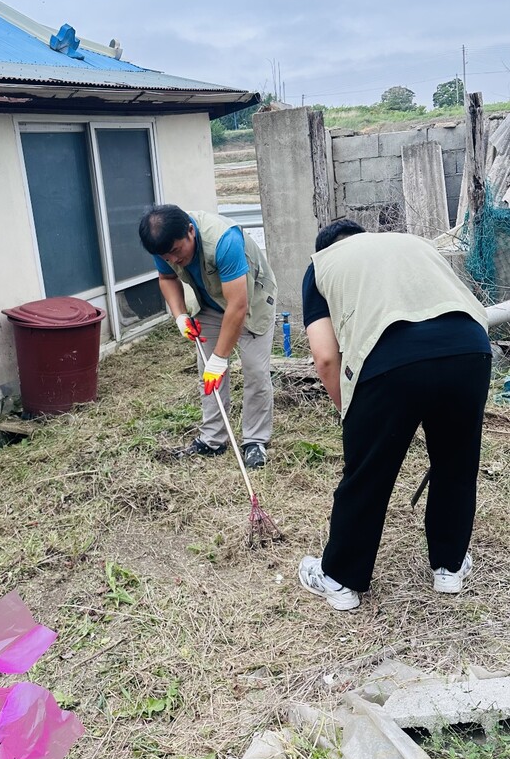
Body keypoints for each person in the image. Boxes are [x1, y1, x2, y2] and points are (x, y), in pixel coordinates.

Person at [298, 219, 492, 611]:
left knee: (368, 472)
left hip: (391, 361)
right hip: (470, 349)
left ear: (324, 248)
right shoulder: (412, 243)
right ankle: (449, 568)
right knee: (456, 462)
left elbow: (324, 356)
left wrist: (349, 411)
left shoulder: (321, 266)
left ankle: (340, 580)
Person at [139, 204, 277, 468]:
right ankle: (213, 438)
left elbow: (238, 306)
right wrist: (180, 315)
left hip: (252, 302)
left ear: (191, 231)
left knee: (255, 371)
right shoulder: (164, 245)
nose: (173, 260)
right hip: (212, 304)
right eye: (166, 256)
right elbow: (167, 278)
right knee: (209, 375)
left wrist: (221, 358)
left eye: (177, 252)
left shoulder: (225, 240)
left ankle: (255, 441)